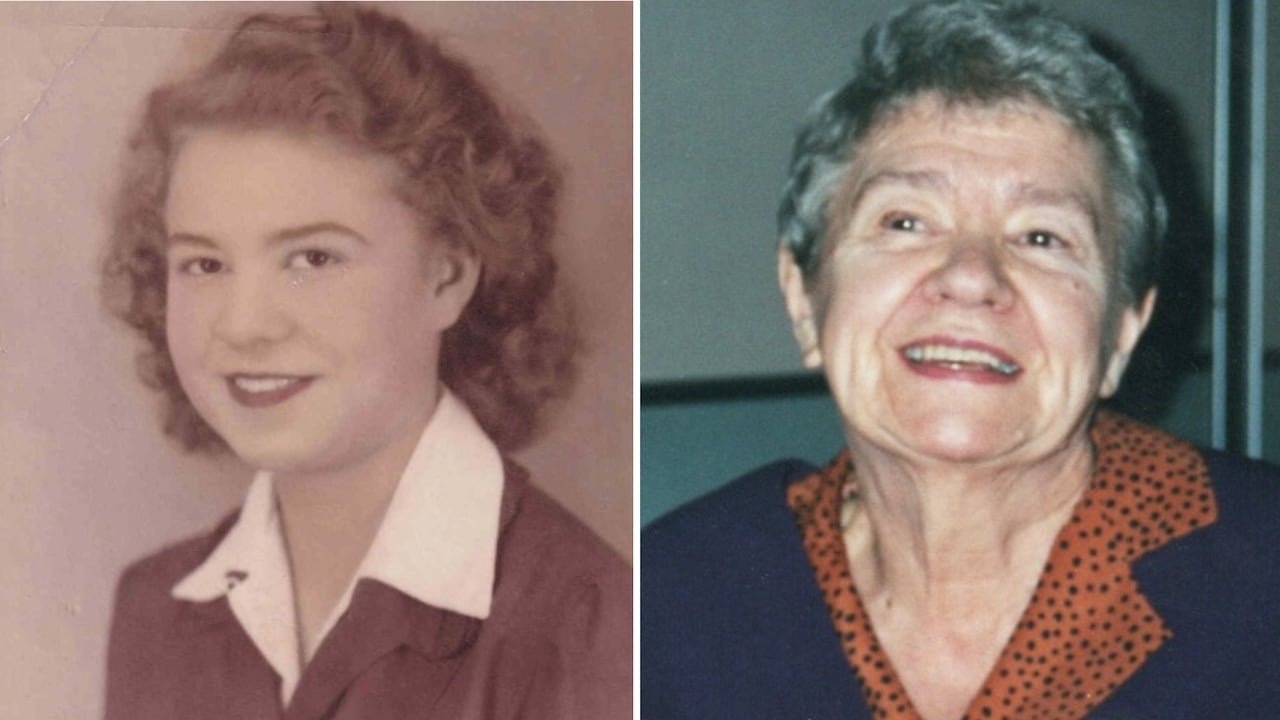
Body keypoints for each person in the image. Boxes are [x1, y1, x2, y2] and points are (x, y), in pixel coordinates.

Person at [642, 1, 1280, 718]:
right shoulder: (665, 603)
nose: (972, 276)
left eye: (1042, 237)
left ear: (1122, 332)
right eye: (905, 221)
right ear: (802, 298)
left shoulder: (1264, 579)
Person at [100, 5, 630, 719]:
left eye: (313, 258)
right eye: (203, 263)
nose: (243, 324)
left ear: (446, 275)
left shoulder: (590, 623)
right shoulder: (154, 613)